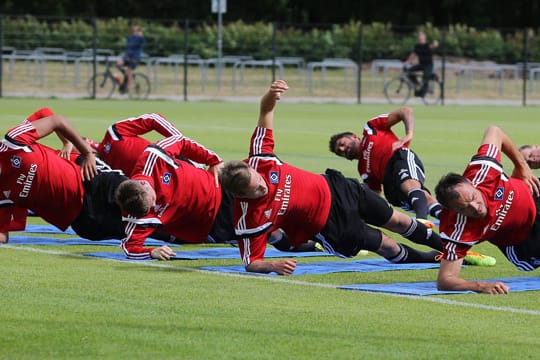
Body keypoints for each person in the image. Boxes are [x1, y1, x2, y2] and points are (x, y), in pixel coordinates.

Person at [218, 80, 445, 275]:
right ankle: (430, 259)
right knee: (387, 244)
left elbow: (266, 111)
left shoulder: (260, 158)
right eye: (256, 191)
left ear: (252, 169)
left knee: (399, 221)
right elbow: (251, 262)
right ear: (240, 195)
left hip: (338, 189)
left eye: (259, 180)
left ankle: (452, 250)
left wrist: (271, 94)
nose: (263, 187)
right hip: (332, 225)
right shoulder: (247, 217)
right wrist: (272, 265)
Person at [434, 125, 540, 294]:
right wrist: (480, 286)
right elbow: (445, 280)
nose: (476, 208)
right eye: (465, 208)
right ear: (454, 211)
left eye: (474, 198)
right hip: (524, 239)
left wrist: (522, 167)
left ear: (471, 183)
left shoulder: (482, 171)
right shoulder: (457, 229)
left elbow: (494, 131)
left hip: (533, 195)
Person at [0, 109, 129, 243]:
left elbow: (51, 117)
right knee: (137, 230)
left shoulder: (13, 142)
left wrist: (85, 152)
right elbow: (2, 235)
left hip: (85, 176)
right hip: (80, 217)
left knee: (136, 198)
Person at [114, 133, 236, 260]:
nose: (155, 206)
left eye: (153, 200)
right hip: (214, 225)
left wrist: (213, 160)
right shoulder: (135, 216)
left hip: (220, 187)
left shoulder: (153, 157)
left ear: (144, 184)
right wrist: (151, 252)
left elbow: (180, 141)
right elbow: (130, 249)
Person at [328, 107, 442, 224]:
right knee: (423, 200)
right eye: (340, 152)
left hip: (398, 158)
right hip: (390, 185)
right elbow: (374, 194)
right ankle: (449, 218)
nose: (342, 149)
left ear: (353, 136)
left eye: (342, 143)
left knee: (409, 186)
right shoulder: (363, 170)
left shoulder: (370, 129)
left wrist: (409, 133)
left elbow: (405, 111)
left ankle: (422, 221)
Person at [404, 31, 438, 97]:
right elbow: (413, 54)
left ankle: (422, 93)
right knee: (408, 72)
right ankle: (417, 84)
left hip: (428, 65)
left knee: (425, 77)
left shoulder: (427, 45)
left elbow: (433, 45)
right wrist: (407, 61)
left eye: (422, 38)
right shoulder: (417, 46)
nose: (421, 39)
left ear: (424, 38)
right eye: (420, 38)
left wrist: (435, 44)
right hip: (421, 64)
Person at [116, 25, 145, 93]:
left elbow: (143, 43)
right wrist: (125, 57)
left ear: (138, 32)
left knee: (129, 71)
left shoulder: (140, 38)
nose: (133, 32)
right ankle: (127, 76)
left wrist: (141, 36)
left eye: (135, 31)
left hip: (135, 58)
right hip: (128, 57)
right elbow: (128, 49)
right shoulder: (130, 38)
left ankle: (127, 88)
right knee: (118, 64)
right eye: (132, 31)